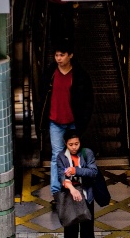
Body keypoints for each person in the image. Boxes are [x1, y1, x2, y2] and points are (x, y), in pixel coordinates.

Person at [40, 40, 94, 201]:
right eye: (56, 55)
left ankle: (76, 186)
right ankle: (57, 191)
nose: (58, 58)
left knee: (74, 154)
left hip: (73, 122)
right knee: (57, 155)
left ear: (70, 55)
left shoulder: (79, 75)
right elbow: (42, 97)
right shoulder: (50, 73)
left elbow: (88, 100)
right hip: (55, 122)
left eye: (62, 55)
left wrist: (83, 121)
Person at [56, 130, 98, 238]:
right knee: (70, 229)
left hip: (86, 195)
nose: (74, 147)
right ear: (66, 143)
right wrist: (72, 189)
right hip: (70, 197)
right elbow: (61, 176)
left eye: (76, 144)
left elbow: (93, 172)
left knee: (87, 230)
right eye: (71, 145)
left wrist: (76, 170)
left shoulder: (87, 153)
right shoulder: (61, 156)